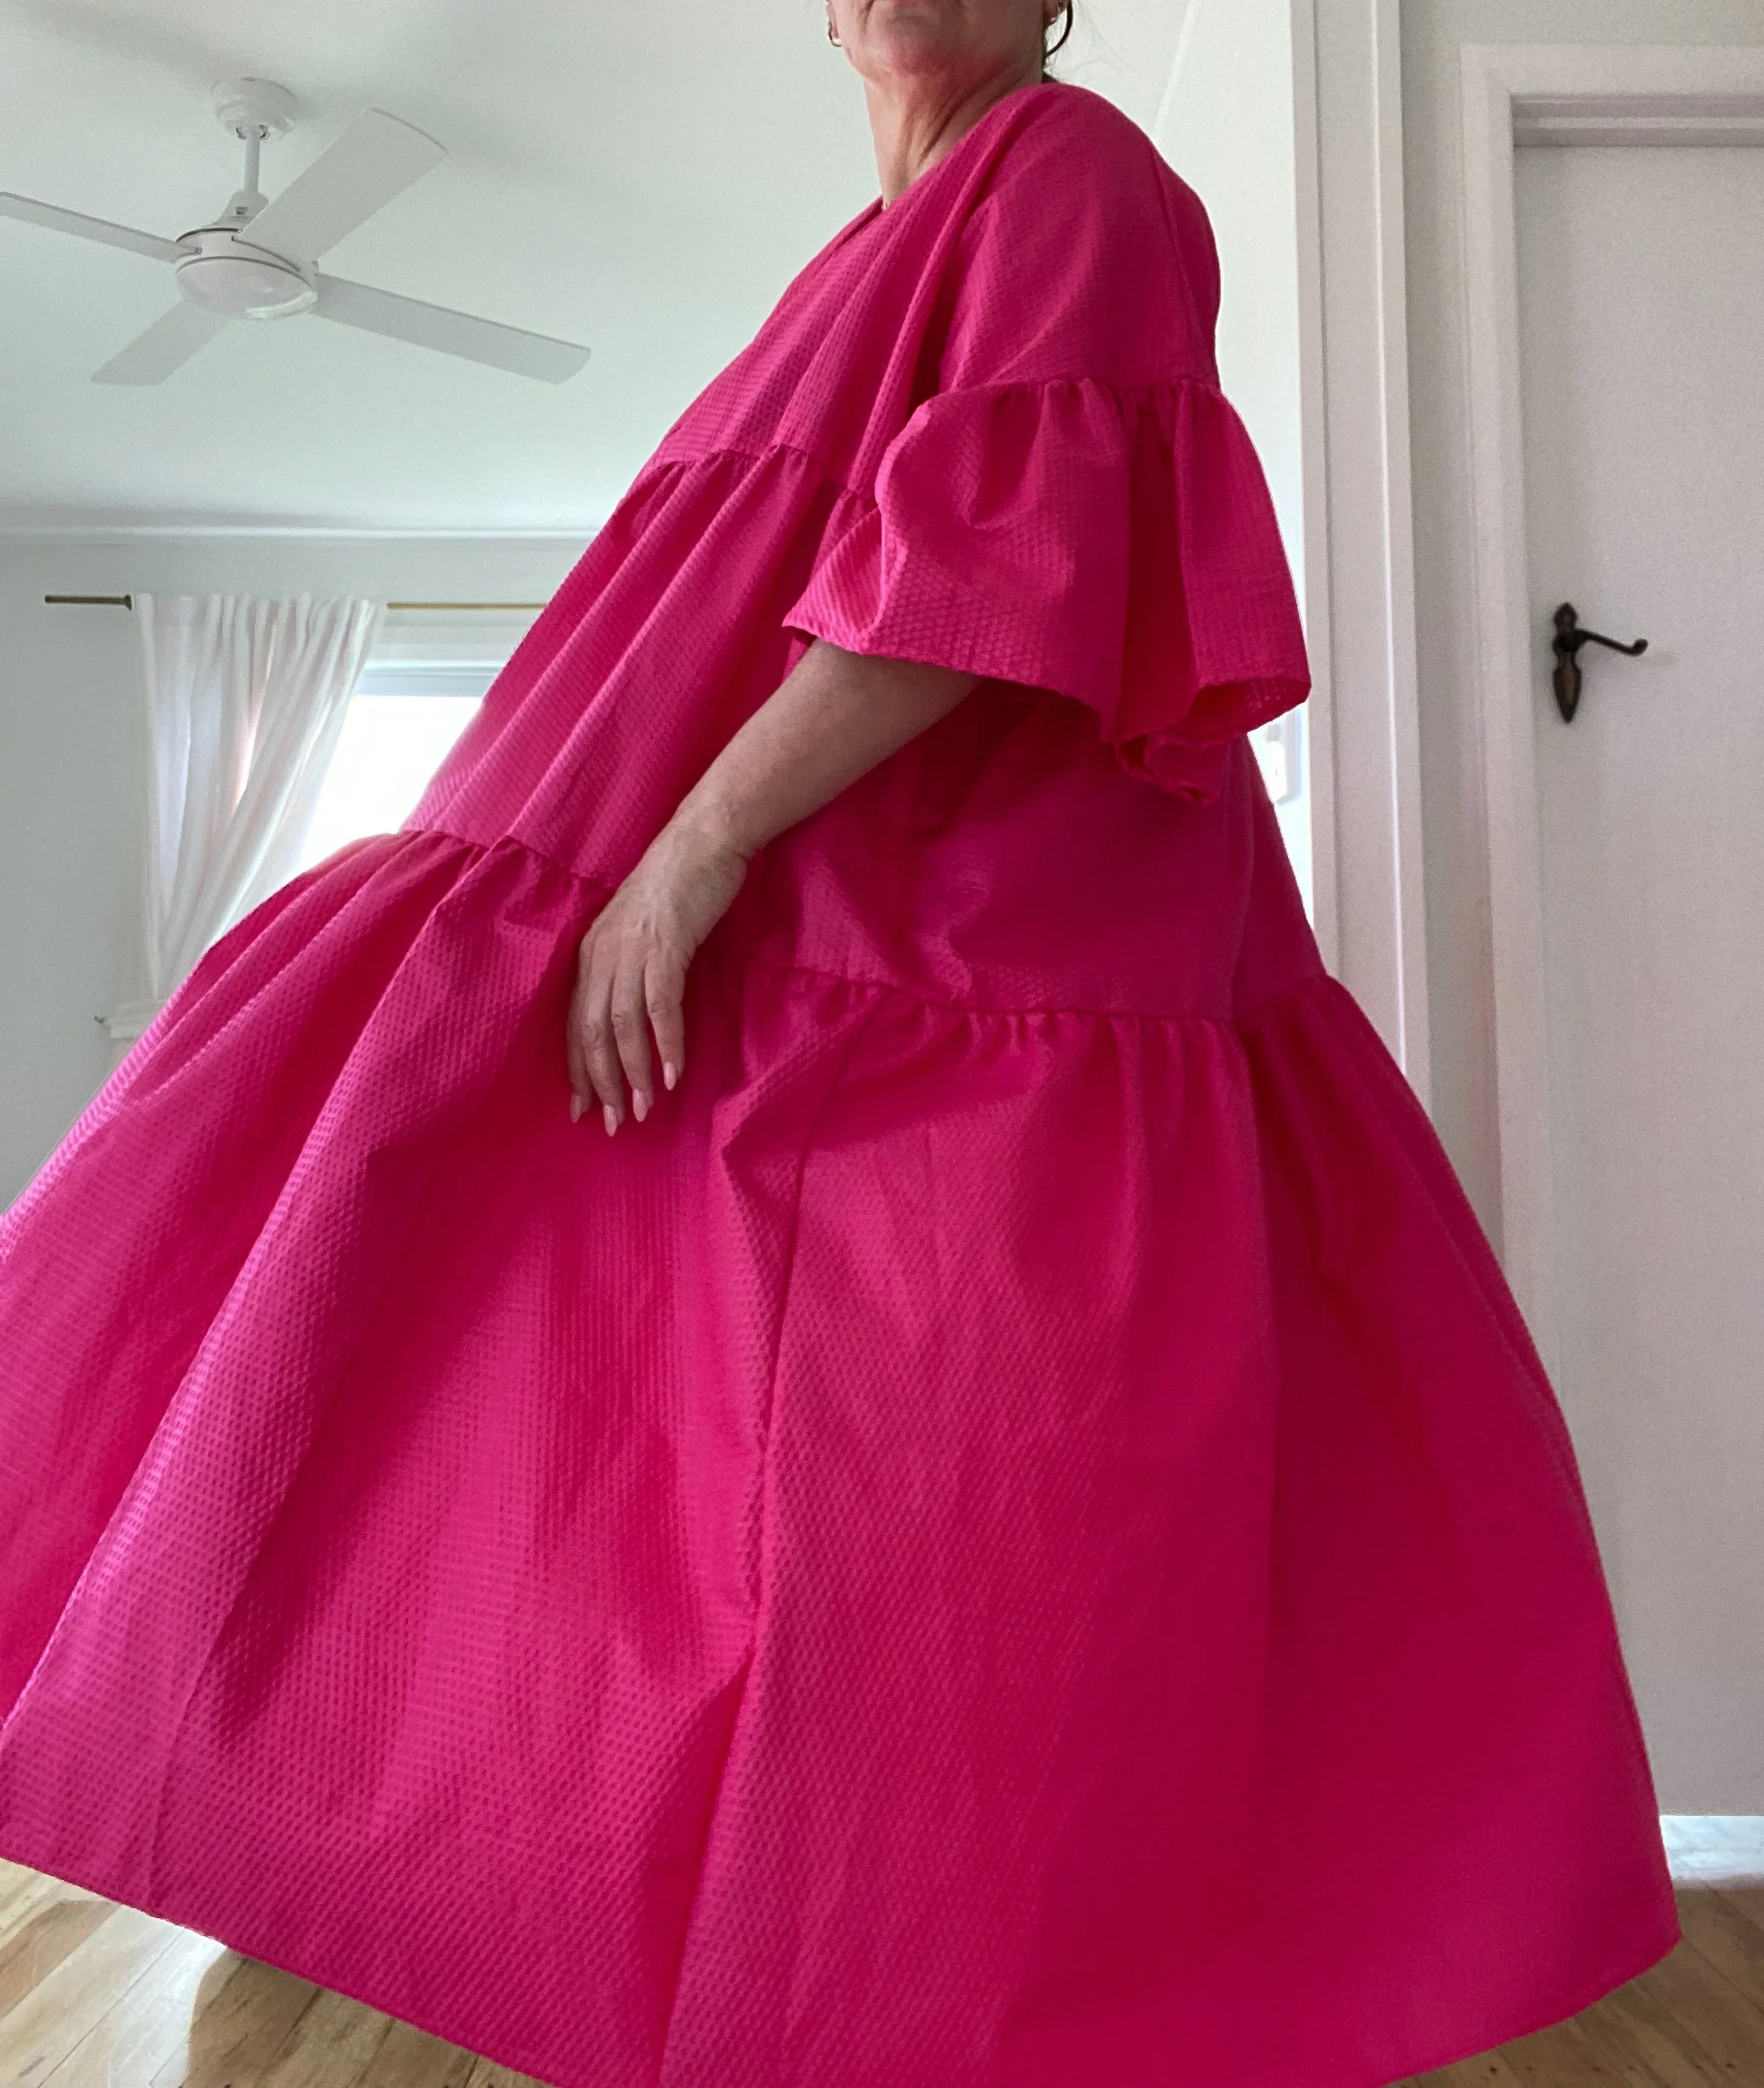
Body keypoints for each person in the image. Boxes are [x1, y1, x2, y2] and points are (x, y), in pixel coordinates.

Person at [0, 5, 1679, 2086]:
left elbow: (1002, 567)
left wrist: (690, 851)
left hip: (945, 943)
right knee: (588, 1426)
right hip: (798, 932)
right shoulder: (862, 251)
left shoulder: (1073, 171)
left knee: (926, 1517)